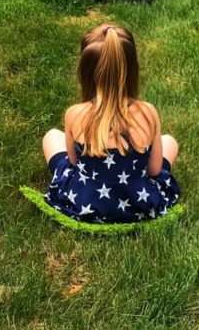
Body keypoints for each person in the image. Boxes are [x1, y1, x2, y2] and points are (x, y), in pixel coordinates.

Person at [41, 24, 179, 223]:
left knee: (52, 136)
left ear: (85, 72)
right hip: (139, 204)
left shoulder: (74, 113)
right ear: (132, 69)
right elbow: (154, 170)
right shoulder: (148, 112)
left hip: (83, 202)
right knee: (169, 141)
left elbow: (73, 162)